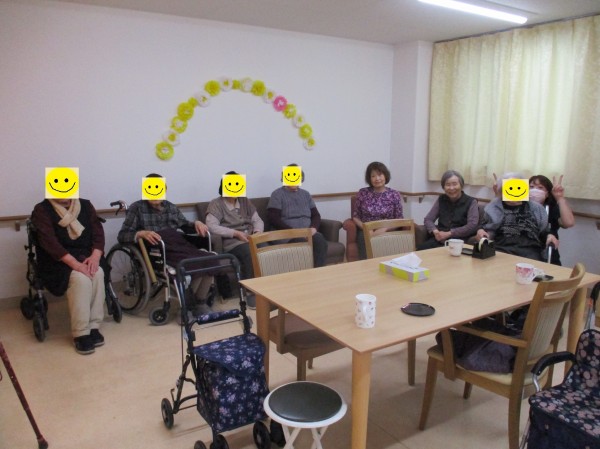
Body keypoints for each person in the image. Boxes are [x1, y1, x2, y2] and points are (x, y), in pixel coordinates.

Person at [117, 173, 217, 314]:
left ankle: (200, 302)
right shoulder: (137, 208)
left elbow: (185, 225)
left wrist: (197, 223)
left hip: (178, 244)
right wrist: (140, 233)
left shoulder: (170, 207)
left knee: (209, 260)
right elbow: (122, 235)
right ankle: (188, 306)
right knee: (191, 264)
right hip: (157, 250)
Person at [31, 197, 107, 355]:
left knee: (97, 272)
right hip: (57, 261)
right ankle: (81, 333)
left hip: (86, 255)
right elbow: (49, 243)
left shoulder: (85, 205)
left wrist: (95, 257)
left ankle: (93, 326)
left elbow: (98, 233)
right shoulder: (42, 209)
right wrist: (76, 265)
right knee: (80, 279)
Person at [206, 171, 264, 308]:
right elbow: (211, 226)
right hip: (233, 242)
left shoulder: (245, 201)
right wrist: (235, 233)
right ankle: (250, 291)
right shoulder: (216, 204)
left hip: (251, 237)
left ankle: (266, 287)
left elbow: (257, 220)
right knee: (249, 252)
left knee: (266, 249)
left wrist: (257, 232)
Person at [476, 172, 558, 261]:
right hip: (501, 249)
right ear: (501, 191)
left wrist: (550, 235)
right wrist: (480, 231)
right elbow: (484, 227)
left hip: (530, 251)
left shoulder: (536, 208)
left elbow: (544, 231)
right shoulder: (494, 207)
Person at [267, 164, 328, 267]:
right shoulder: (277, 194)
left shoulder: (306, 194)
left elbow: (316, 215)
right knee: (301, 243)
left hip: (307, 232)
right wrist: (294, 232)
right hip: (287, 234)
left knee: (320, 240)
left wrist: (313, 228)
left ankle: (318, 271)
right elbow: (273, 218)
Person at [352, 161, 403, 259]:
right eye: (373, 176)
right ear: (369, 178)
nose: (377, 179)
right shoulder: (363, 193)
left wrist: (385, 228)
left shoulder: (394, 194)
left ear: (385, 176)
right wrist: (367, 228)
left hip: (388, 230)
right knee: (363, 239)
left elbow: (399, 219)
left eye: (380, 175)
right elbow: (355, 216)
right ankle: (365, 266)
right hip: (366, 229)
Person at [417, 170, 479, 250]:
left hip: (459, 242)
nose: (451, 188)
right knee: (420, 251)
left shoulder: (471, 202)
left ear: (461, 185)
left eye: (454, 184)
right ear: (443, 187)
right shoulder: (441, 199)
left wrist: (449, 233)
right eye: (448, 185)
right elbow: (428, 219)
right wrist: (435, 231)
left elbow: (472, 225)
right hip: (439, 240)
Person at [529, 174, 575, 265]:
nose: (535, 190)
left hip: (548, 252)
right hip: (525, 251)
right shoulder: (520, 207)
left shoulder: (551, 208)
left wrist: (560, 198)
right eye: (531, 187)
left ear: (547, 193)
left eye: (540, 187)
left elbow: (569, 223)